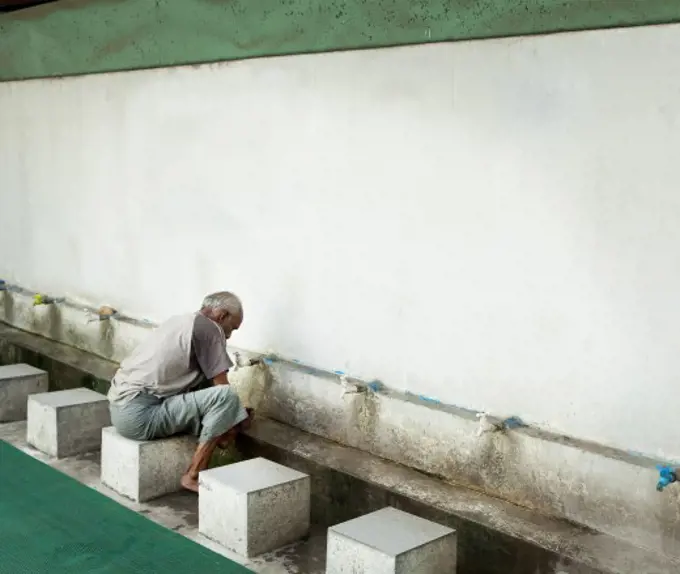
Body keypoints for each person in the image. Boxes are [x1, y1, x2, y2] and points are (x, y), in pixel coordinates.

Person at [107, 291, 251, 492]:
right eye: (232, 328)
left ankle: (224, 434)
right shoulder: (211, 329)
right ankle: (193, 475)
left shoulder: (181, 321)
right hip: (141, 415)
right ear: (222, 316)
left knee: (209, 389)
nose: (229, 335)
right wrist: (236, 417)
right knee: (227, 397)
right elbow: (221, 387)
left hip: (119, 409)